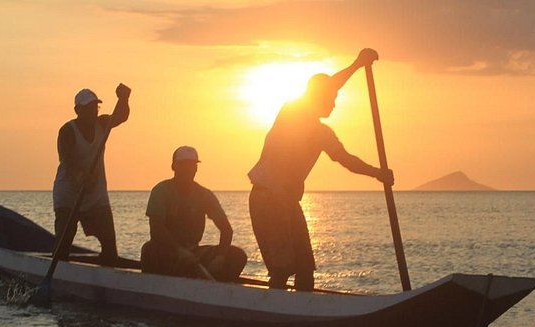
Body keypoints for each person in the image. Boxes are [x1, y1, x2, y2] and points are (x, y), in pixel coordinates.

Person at [248, 48, 394, 291]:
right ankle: (274, 316)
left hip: (287, 201)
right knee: (282, 268)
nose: (335, 103)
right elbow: (329, 85)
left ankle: (304, 312)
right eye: (332, 98)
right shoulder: (291, 112)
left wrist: (378, 173)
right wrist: (357, 64)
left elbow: (347, 160)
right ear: (317, 96)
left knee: (305, 266)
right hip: (267, 198)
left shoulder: (323, 134)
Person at [141, 146, 247, 282]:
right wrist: (179, 250)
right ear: (174, 166)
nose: (188, 169)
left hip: (194, 253)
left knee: (237, 255)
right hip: (167, 251)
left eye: (192, 165)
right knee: (149, 250)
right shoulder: (161, 191)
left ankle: (211, 289)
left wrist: (220, 256)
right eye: (183, 165)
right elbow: (156, 228)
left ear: (196, 168)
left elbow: (226, 230)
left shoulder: (204, 195)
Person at [52, 83, 131, 265]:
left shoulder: (103, 124)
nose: (93, 111)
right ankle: (60, 271)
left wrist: (124, 98)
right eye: (88, 108)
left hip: (95, 194)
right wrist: (80, 176)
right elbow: (67, 159)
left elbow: (121, 116)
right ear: (77, 110)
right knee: (64, 240)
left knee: (109, 244)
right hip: (69, 193)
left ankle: (108, 277)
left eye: (95, 107)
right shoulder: (67, 131)